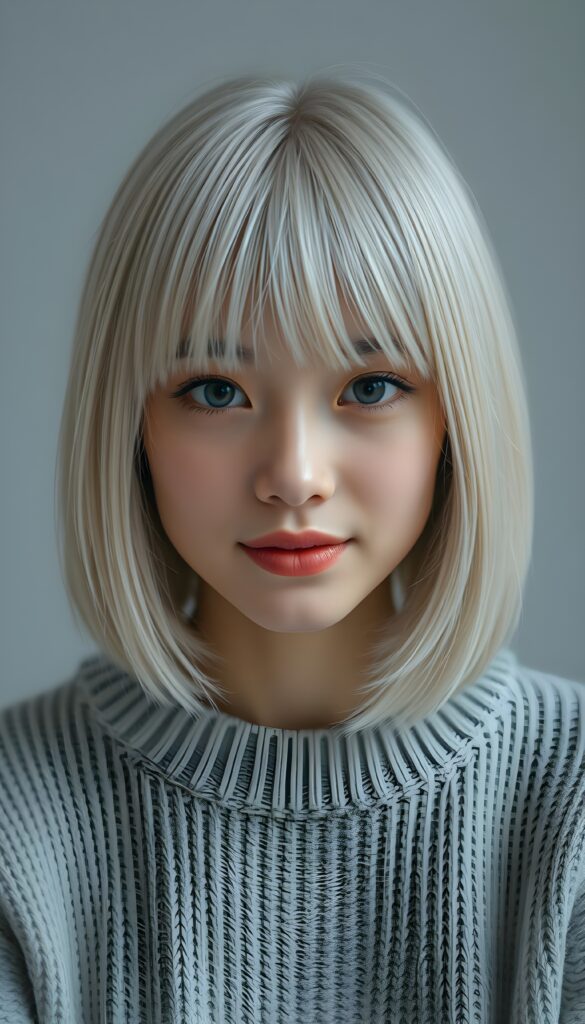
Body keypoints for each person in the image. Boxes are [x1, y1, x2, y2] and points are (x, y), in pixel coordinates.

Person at [0, 71, 583, 1023]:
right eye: (216, 391)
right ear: (129, 426)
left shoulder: (569, 808)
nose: (294, 474)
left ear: (456, 419)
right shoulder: (16, 826)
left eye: (370, 385)